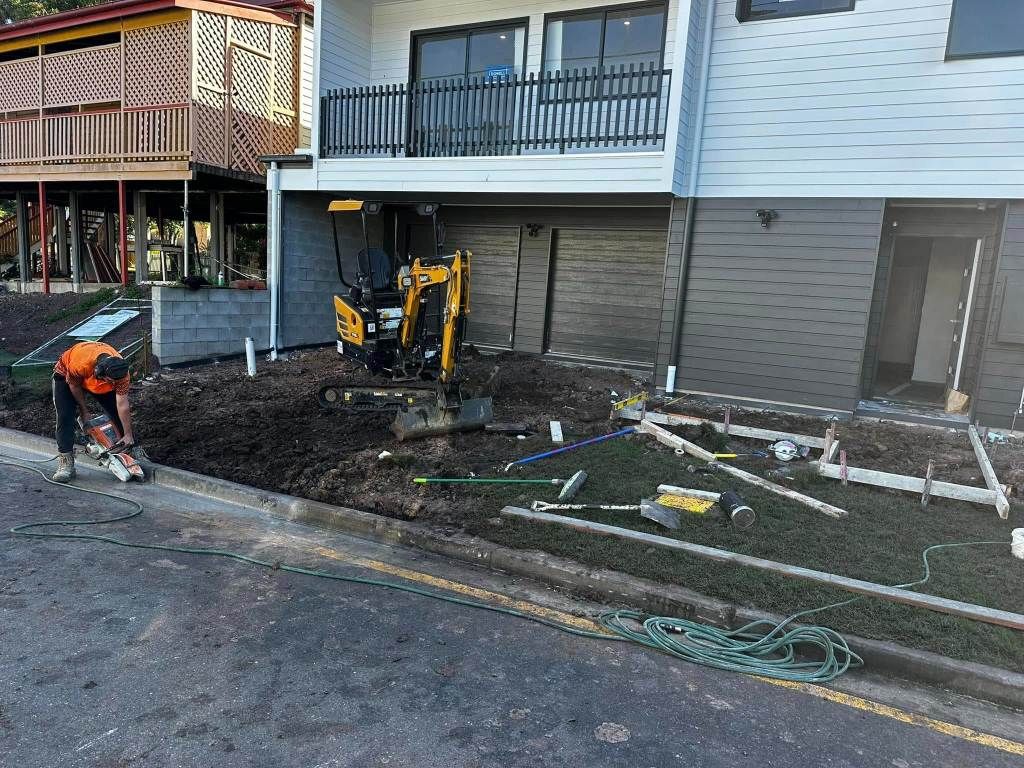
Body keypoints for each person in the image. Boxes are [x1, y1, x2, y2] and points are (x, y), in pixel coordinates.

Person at [51, 341, 134, 483]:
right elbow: (74, 386)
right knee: (65, 416)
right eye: (110, 381)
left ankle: (128, 449)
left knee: (116, 411)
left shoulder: (121, 373)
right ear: (99, 372)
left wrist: (128, 434)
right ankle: (66, 461)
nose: (113, 384)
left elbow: (123, 405)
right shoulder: (81, 363)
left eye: (115, 382)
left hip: (95, 377)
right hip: (67, 375)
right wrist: (84, 412)